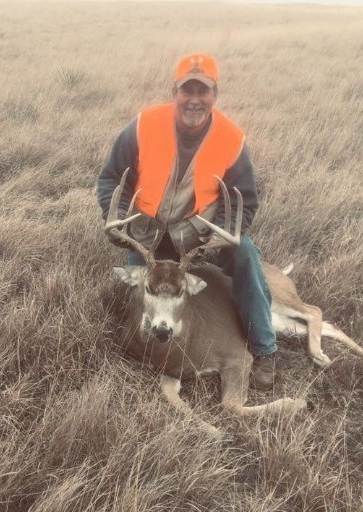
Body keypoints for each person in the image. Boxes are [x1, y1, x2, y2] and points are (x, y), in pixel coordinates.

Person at [97, 53, 277, 389]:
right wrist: (119, 217)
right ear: (174, 92)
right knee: (133, 297)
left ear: (215, 95)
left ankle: (264, 347)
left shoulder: (230, 139)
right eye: (187, 90)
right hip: (147, 235)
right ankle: (153, 348)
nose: (194, 100)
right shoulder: (143, 126)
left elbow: (245, 199)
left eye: (203, 91)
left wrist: (219, 234)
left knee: (247, 257)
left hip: (198, 236)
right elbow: (111, 179)